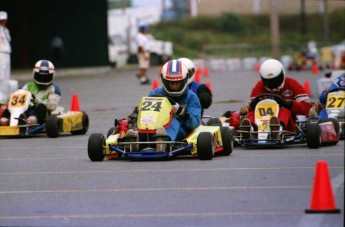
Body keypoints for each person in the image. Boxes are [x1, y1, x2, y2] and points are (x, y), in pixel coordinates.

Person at [125, 59, 201, 149]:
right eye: (170, 83)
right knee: (145, 121)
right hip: (154, 125)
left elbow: (194, 123)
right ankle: (137, 139)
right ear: (164, 80)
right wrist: (139, 111)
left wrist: (181, 112)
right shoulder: (154, 94)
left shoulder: (191, 97)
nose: (174, 86)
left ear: (184, 80)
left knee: (173, 122)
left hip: (181, 129)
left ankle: (164, 141)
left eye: (177, 83)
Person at [240, 58, 312, 139]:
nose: (273, 84)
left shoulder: (292, 84)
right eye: (269, 81)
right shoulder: (259, 87)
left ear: (282, 74)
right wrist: (253, 105)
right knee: (252, 113)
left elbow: (307, 109)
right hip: (261, 124)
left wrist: (289, 104)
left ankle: (278, 128)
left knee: (283, 110)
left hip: (288, 125)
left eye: (276, 80)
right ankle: (250, 129)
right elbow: (250, 110)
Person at [0, 60, 61, 126]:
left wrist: (36, 102)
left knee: (41, 107)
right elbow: (17, 97)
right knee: (8, 109)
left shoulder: (54, 89)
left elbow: (52, 106)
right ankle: (5, 120)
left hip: (41, 113)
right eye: (40, 76)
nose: (43, 79)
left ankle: (30, 121)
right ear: (34, 73)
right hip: (24, 110)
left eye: (46, 77)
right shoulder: (26, 86)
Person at [0, 11, 12, 103]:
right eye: (1, 20)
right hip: (1, 52)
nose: (3, 21)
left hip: (7, 53)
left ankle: (5, 95)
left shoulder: (6, 30)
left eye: (4, 20)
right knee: (1, 75)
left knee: (6, 75)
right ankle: (1, 95)